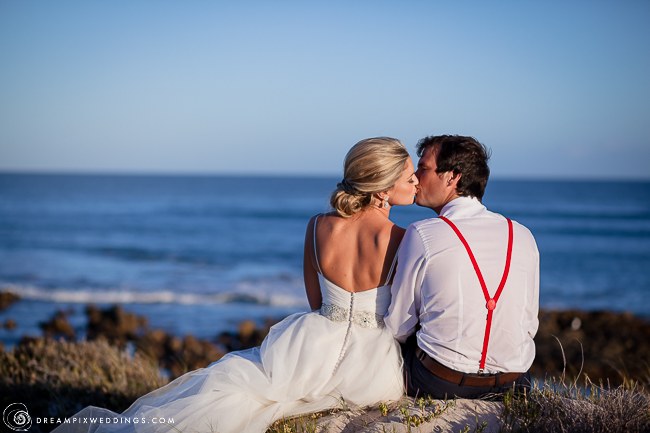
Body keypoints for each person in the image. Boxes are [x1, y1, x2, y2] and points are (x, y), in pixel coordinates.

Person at [53, 137, 418, 433]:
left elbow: (314, 299)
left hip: (309, 343)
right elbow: (402, 313)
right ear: (383, 188)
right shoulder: (403, 238)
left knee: (245, 389)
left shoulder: (318, 225)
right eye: (409, 177)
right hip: (370, 362)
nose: (416, 183)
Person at [385, 135, 539, 400]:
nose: (414, 178)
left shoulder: (423, 233)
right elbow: (530, 325)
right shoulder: (523, 234)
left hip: (440, 382)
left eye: (422, 168)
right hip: (515, 384)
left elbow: (398, 327)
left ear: (452, 177)